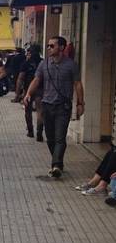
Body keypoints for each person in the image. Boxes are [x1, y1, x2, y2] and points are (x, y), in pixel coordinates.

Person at [23, 36, 84, 178]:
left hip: (63, 107)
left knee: (60, 138)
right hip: (47, 105)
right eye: (48, 46)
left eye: (52, 46)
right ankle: (59, 163)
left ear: (61, 47)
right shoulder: (44, 64)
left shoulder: (71, 65)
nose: (49, 48)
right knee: (50, 138)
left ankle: (55, 165)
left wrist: (80, 103)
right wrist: (28, 94)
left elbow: (78, 84)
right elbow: (37, 80)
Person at [18, 45, 44, 141]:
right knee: (40, 111)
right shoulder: (43, 62)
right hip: (41, 89)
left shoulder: (26, 63)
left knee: (28, 111)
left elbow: (21, 78)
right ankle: (39, 133)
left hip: (28, 89)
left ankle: (30, 131)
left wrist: (18, 93)